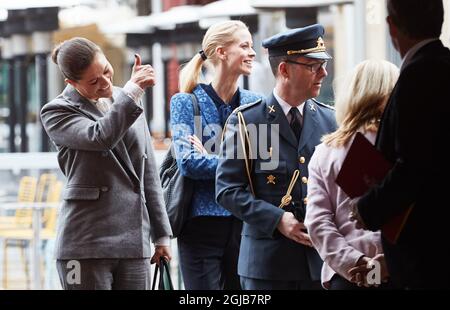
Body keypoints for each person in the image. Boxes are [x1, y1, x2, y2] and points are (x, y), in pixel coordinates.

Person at [40, 37, 172, 290]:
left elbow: (147, 173)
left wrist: (161, 235)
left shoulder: (127, 99)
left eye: (106, 70)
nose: (106, 82)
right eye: (93, 81)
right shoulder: (57, 111)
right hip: (85, 243)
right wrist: (132, 92)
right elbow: (100, 137)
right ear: (71, 83)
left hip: (134, 241)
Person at [216, 24, 337, 290]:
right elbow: (227, 190)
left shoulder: (332, 120)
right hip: (267, 267)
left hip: (322, 264)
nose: (323, 73)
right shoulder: (249, 121)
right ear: (284, 70)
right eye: (313, 66)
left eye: (323, 65)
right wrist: (277, 219)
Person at [350, 0, 450, 289]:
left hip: (426, 246)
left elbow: (415, 165)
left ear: (391, 26)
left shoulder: (418, 75)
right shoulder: (440, 65)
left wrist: (368, 208)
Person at [169, 20, 262, 290]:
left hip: (245, 223)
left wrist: (211, 157)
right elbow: (188, 164)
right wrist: (241, 162)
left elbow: (264, 165)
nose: (252, 53)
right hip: (200, 227)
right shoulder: (185, 101)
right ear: (221, 52)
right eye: (244, 46)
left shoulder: (255, 103)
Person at [304, 59, 399, 290]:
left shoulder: (325, 152)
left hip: (349, 276)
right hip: (401, 270)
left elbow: (318, 223)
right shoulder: (407, 147)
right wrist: (385, 263)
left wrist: (354, 262)